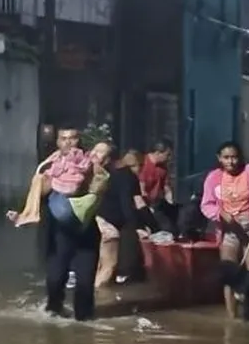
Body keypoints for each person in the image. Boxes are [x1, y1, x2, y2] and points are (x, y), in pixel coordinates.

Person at [200, 141, 249, 318]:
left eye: (234, 157)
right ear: (219, 159)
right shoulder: (213, 178)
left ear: (240, 157)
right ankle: (232, 317)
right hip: (228, 232)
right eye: (226, 158)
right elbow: (206, 205)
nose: (231, 162)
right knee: (229, 275)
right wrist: (220, 213)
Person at [44, 140, 113, 321]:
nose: (97, 156)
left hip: (86, 231)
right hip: (63, 231)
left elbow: (93, 190)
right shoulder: (70, 165)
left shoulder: (102, 177)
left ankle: (84, 319)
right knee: (56, 276)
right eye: (95, 151)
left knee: (85, 280)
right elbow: (45, 185)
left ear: (107, 161)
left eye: (103, 155)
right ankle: (54, 308)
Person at [6, 126, 96, 228]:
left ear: (78, 140)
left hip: (71, 201)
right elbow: (35, 188)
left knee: (62, 212)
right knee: (38, 179)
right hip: (51, 207)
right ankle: (27, 214)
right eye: (63, 139)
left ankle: (30, 215)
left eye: (72, 138)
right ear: (57, 142)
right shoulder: (53, 158)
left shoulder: (84, 157)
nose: (68, 142)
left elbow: (84, 180)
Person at [95, 150, 150, 286]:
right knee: (109, 266)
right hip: (108, 224)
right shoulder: (128, 177)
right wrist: (138, 226)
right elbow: (129, 204)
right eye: (140, 166)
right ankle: (97, 301)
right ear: (135, 165)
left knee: (100, 265)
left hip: (97, 219)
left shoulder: (108, 173)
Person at [139, 138, 177, 233]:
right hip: (144, 206)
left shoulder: (163, 167)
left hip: (157, 204)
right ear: (157, 153)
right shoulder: (143, 164)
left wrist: (170, 202)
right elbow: (141, 189)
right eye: (167, 155)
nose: (169, 158)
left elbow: (166, 187)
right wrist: (147, 208)